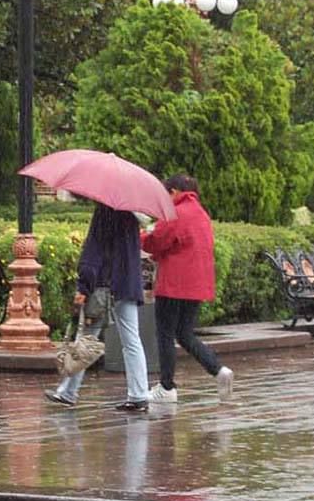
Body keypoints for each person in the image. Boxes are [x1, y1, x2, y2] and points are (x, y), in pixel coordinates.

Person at [45, 202, 150, 412]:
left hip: (103, 286)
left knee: (86, 339)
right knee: (131, 340)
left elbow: (94, 251)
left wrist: (83, 286)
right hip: (127, 284)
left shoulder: (105, 210)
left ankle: (68, 392)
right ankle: (139, 394)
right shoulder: (132, 214)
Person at [141, 174, 233, 404]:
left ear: (173, 192)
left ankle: (166, 387)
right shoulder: (201, 214)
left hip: (173, 284)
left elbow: (157, 241)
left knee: (165, 334)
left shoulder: (175, 213)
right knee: (184, 334)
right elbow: (181, 246)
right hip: (196, 285)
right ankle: (218, 370)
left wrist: (141, 235)